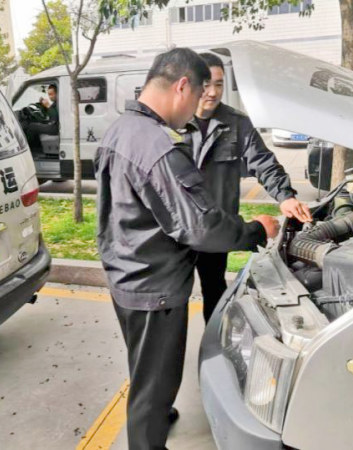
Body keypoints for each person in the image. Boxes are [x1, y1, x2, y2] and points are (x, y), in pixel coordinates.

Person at [95, 48, 280, 450]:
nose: (198, 107)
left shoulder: (121, 129)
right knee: (155, 383)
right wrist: (255, 230)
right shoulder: (158, 146)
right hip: (154, 287)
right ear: (182, 86)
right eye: (198, 95)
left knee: (145, 369)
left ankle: (157, 412)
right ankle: (149, 435)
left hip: (126, 272)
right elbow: (199, 227)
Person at [186, 52, 313, 323]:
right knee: (174, 300)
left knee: (215, 291)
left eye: (219, 84)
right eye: (207, 84)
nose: (213, 92)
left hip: (217, 227)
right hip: (180, 229)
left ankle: (212, 344)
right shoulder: (174, 121)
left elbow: (263, 162)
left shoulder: (236, 122)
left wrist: (285, 197)